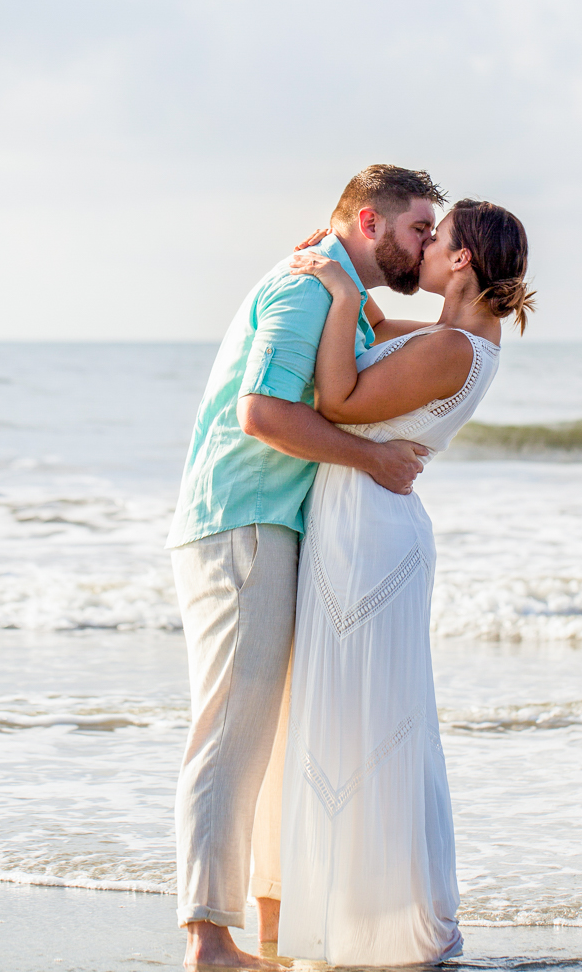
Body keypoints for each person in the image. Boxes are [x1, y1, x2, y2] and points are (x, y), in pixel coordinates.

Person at [166, 165, 447, 971]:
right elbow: (262, 414)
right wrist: (373, 460)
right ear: (369, 223)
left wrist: (468, 321)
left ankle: (260, 931)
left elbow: (387, 345)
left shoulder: (340, 296)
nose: (426, 243)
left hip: (270, 525)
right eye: (418, 229)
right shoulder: (305, 293)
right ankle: (208, 941)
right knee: (231, 734)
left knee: (276, 738)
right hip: (242, 522)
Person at [277, 199, 534, 966]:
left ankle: (388, 929)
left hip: (370, 538)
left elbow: (339, 400)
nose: (419, 248)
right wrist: (343, 280)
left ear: (460, 261)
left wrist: (346, 293)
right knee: (364, 723)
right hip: (364, 528)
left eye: (434, 237)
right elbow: (379, 339)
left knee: (371, 728)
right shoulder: (453, 337)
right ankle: (367, 919)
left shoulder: (456, 347)